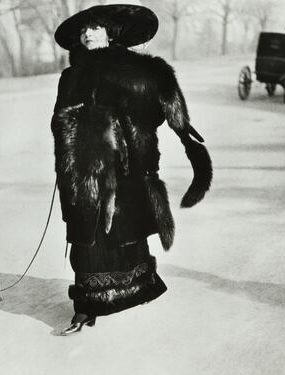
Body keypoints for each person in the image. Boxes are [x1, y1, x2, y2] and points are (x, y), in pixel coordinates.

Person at [51, 5, 212, 335]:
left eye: (95, 28)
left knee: (125, 231)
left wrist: (188, 142)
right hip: (83, 173)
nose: (87, 34)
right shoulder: (71, 76)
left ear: (110, 33)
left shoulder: (137, 70)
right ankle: (86, 308)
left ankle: (135, 290)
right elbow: (60, 120)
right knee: (88, 239)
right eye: (83, 31)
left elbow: (158, 104)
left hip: (127, 170)